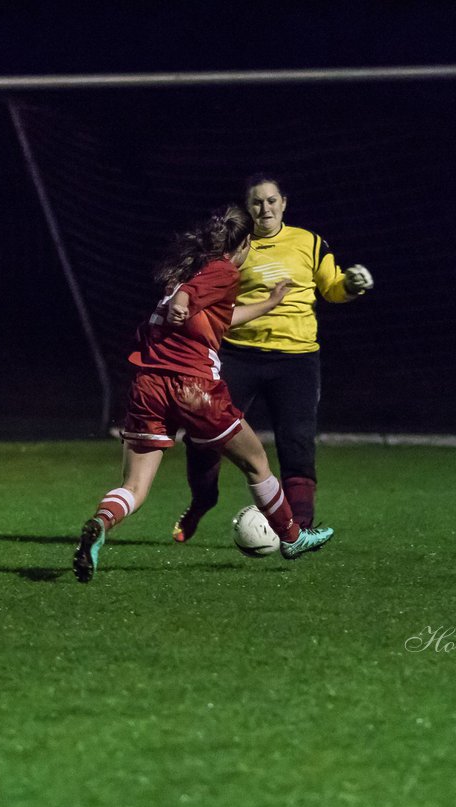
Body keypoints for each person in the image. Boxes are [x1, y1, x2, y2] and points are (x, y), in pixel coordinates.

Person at [73, 204, 336, 583]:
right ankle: (292, 538)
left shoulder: (188, 269)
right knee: (256, 462)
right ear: (243, 244)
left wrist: (269, 303)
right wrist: (182, 306)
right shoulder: (224, 270)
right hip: (194, 388)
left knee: (134, 486)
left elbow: (217, 318)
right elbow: (190, 299)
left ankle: (101, 523)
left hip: (148, 384)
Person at [173, 174, 374, 542]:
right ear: (247, 208)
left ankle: (300, 528)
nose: (264, 208)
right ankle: (203, 500)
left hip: (296, 360)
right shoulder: (236, 247)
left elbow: (331, 288)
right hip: (238, 355)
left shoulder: (309, 242)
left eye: (271, 201)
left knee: (296, 441)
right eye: (256, 202)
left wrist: (350, 286)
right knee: (204, 434)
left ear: (284, 203)